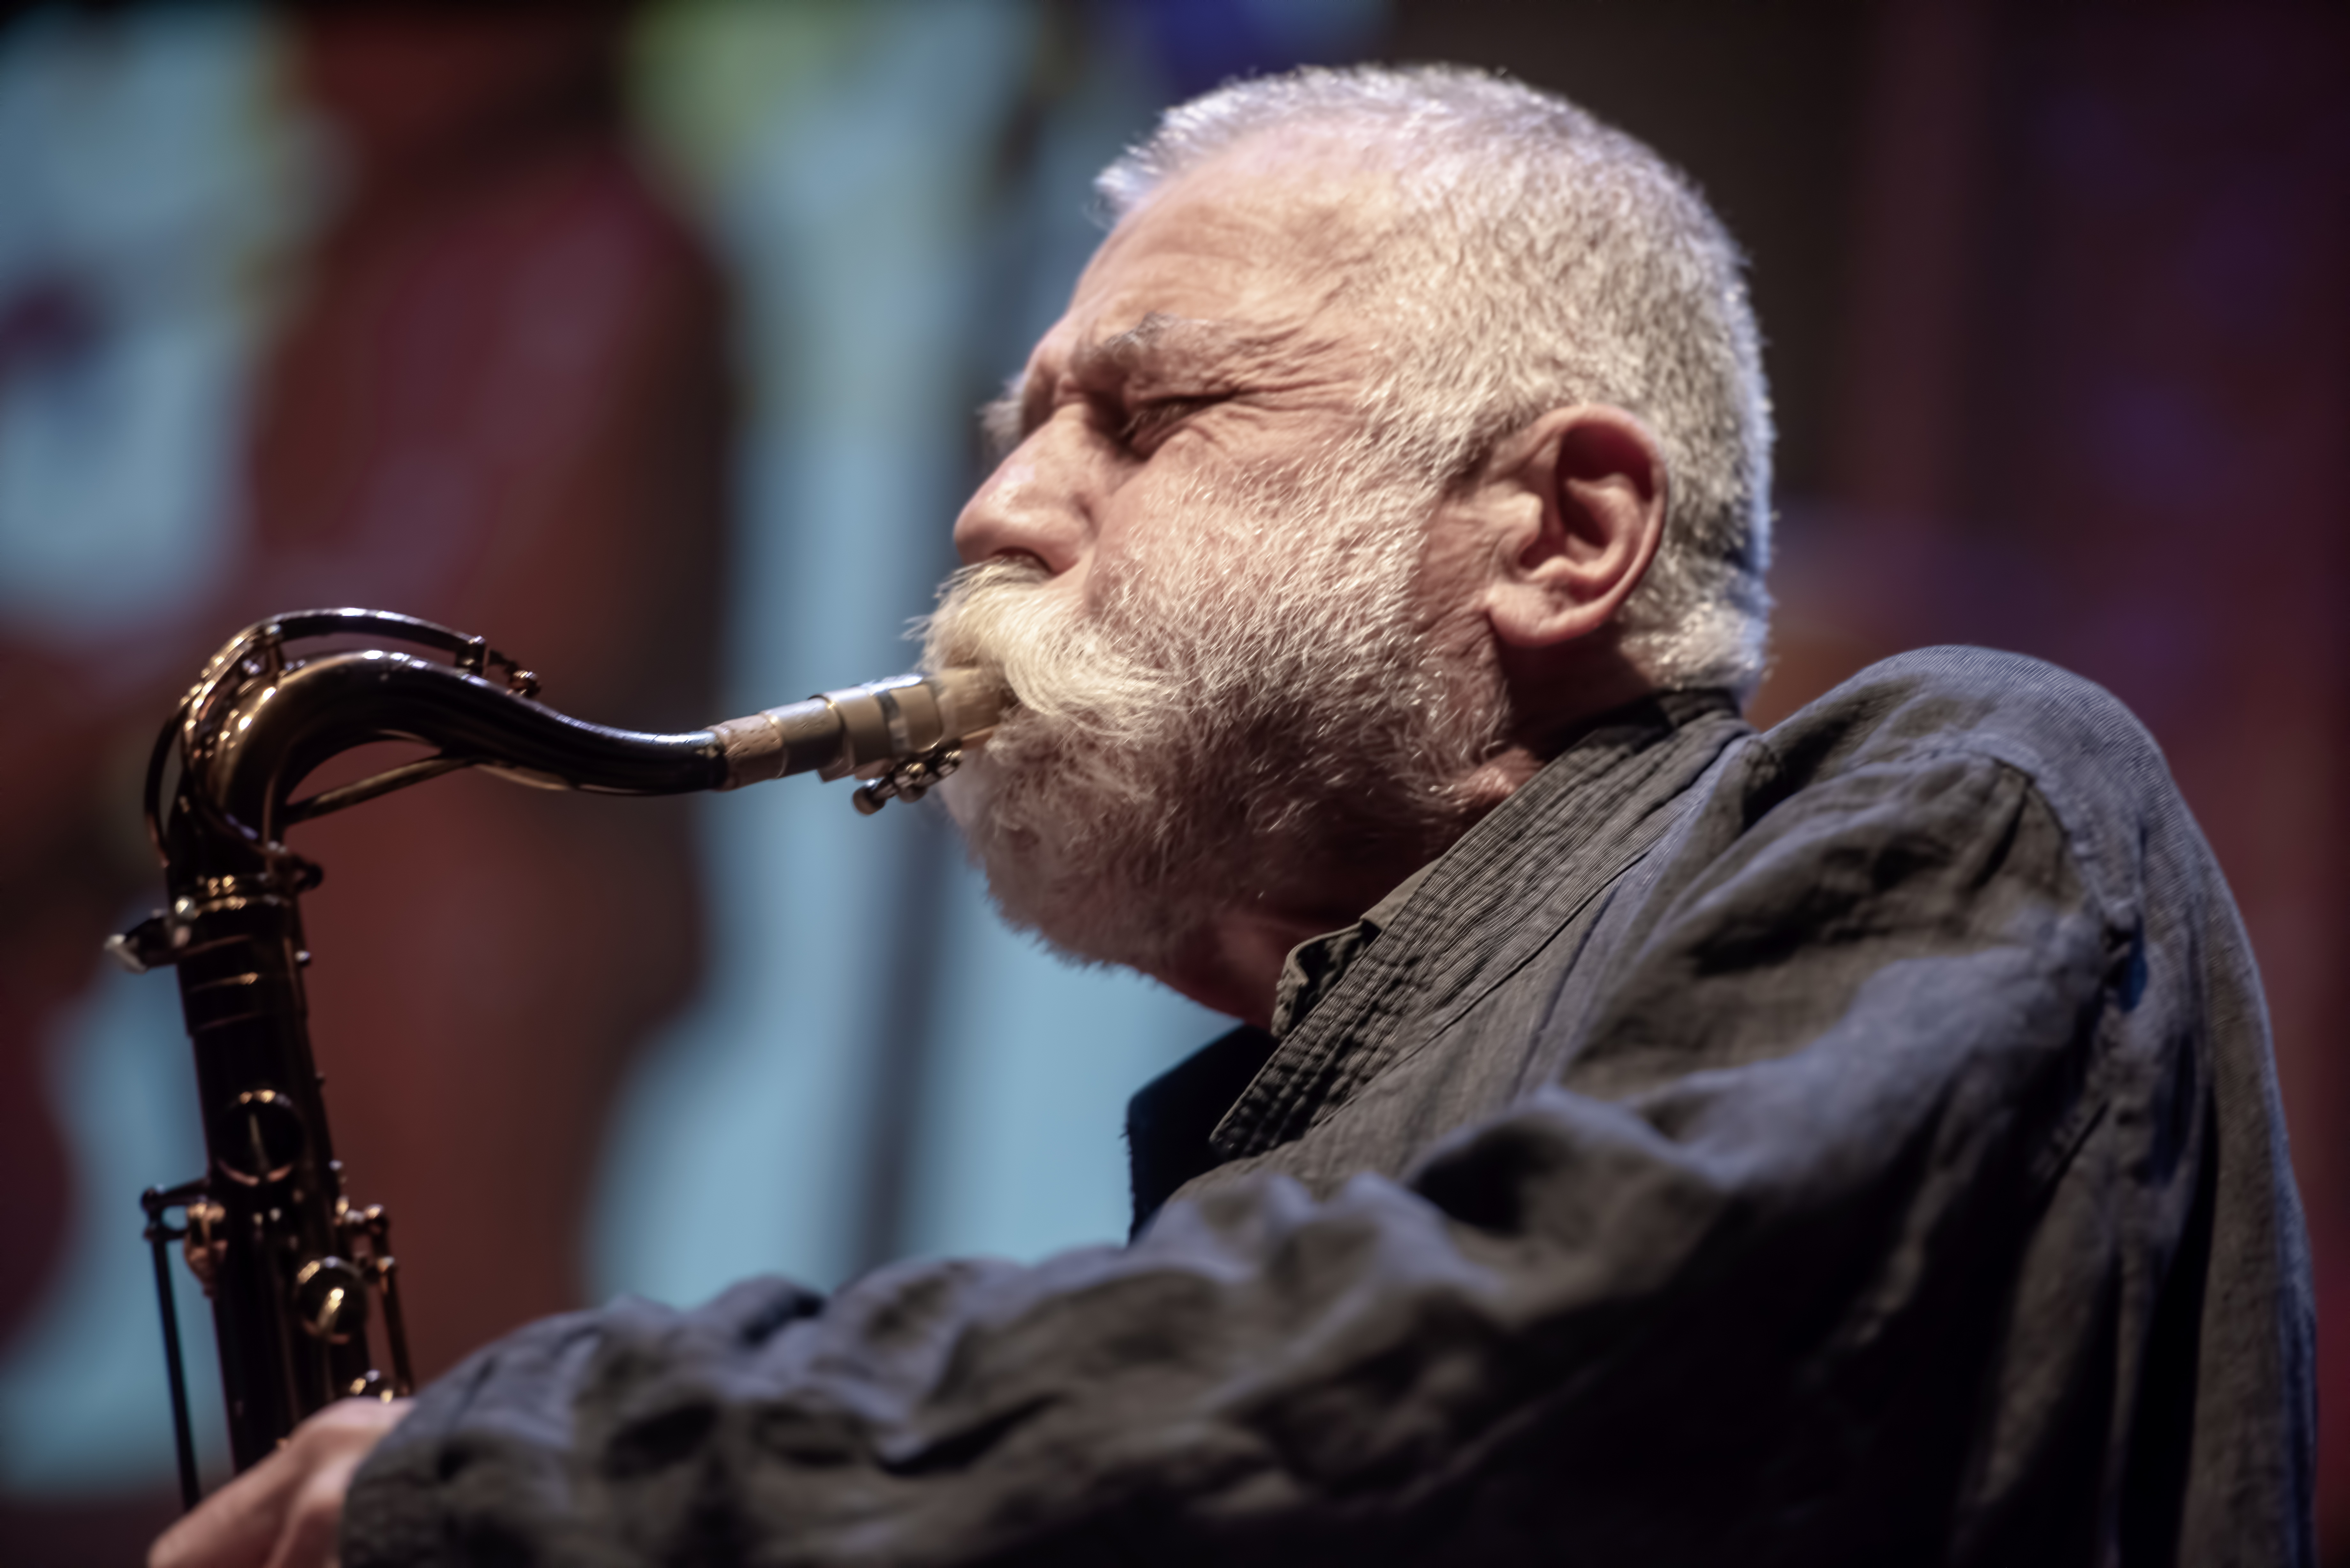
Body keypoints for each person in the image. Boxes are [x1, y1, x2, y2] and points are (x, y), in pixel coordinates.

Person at [154, 65, 2314, 1568]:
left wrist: (538, 1483)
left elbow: (1506, 1355)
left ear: (1568, 529)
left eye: (1146, 413)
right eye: (1016, 431)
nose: (995, 506)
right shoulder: (1256, 1168)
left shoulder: (1975, 788)